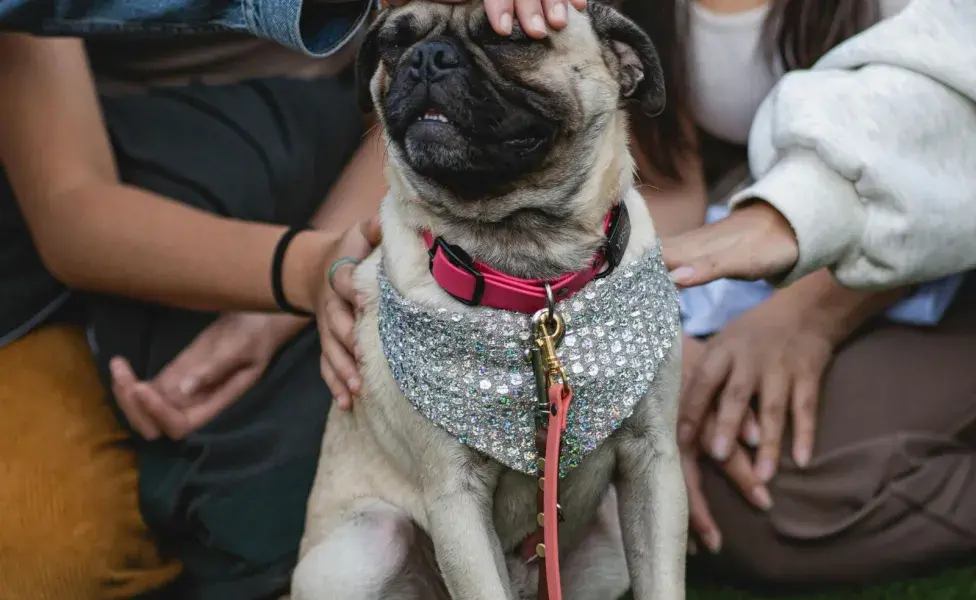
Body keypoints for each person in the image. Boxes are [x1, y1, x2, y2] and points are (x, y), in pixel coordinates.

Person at [316, 0, 976, 588]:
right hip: (735, 236)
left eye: (512, 46)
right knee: (739, 491)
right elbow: (654, 162)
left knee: (791, 500)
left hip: (907, 246)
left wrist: (807, 315)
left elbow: (949, 129)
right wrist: (307, 267)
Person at [0, 0, 579, 598]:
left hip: (367, 183)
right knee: (48, 554)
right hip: (143, 218)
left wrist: (287, 303)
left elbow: (438, 97)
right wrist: (299, 274)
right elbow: (72, 208)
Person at [660, 0, 976, 293]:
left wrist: (810, 316)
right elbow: (668, 180)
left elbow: (934, 147)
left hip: (896, 236)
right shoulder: (641, 15)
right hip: (750, 226)